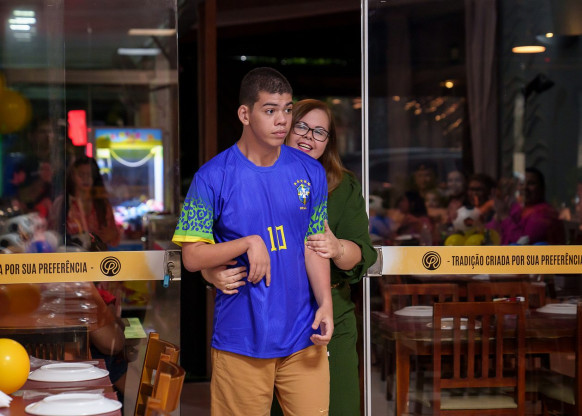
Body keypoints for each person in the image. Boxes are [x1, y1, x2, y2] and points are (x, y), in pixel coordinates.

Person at [172, 68, 333, 415]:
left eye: (287, 109)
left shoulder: (311, 171)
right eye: (270, 110)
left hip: (304, 335)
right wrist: (248, 243)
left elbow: (314, 244)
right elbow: (192, 257)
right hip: (240, 338)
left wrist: (325, 303)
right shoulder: (212, 177)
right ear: (245, 114)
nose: (282, 120)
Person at [50, 156, 121, 250]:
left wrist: (111, 234)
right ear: (72, 176)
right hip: (71, 257)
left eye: (89, 174)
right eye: (81, 174)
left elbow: (114, 238)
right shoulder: (61, 203)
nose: (86, 179)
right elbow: (53, 236)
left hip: (98, 257)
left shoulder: (103, 205)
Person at [487, 167, 564, 245]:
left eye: (531, 183)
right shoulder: (516, 208)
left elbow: (522, 242)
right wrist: (497, 215)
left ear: (542, 188)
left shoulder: (546, 214)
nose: (524, 187)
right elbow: (491, 238)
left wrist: (504, 216)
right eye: (521, 183)